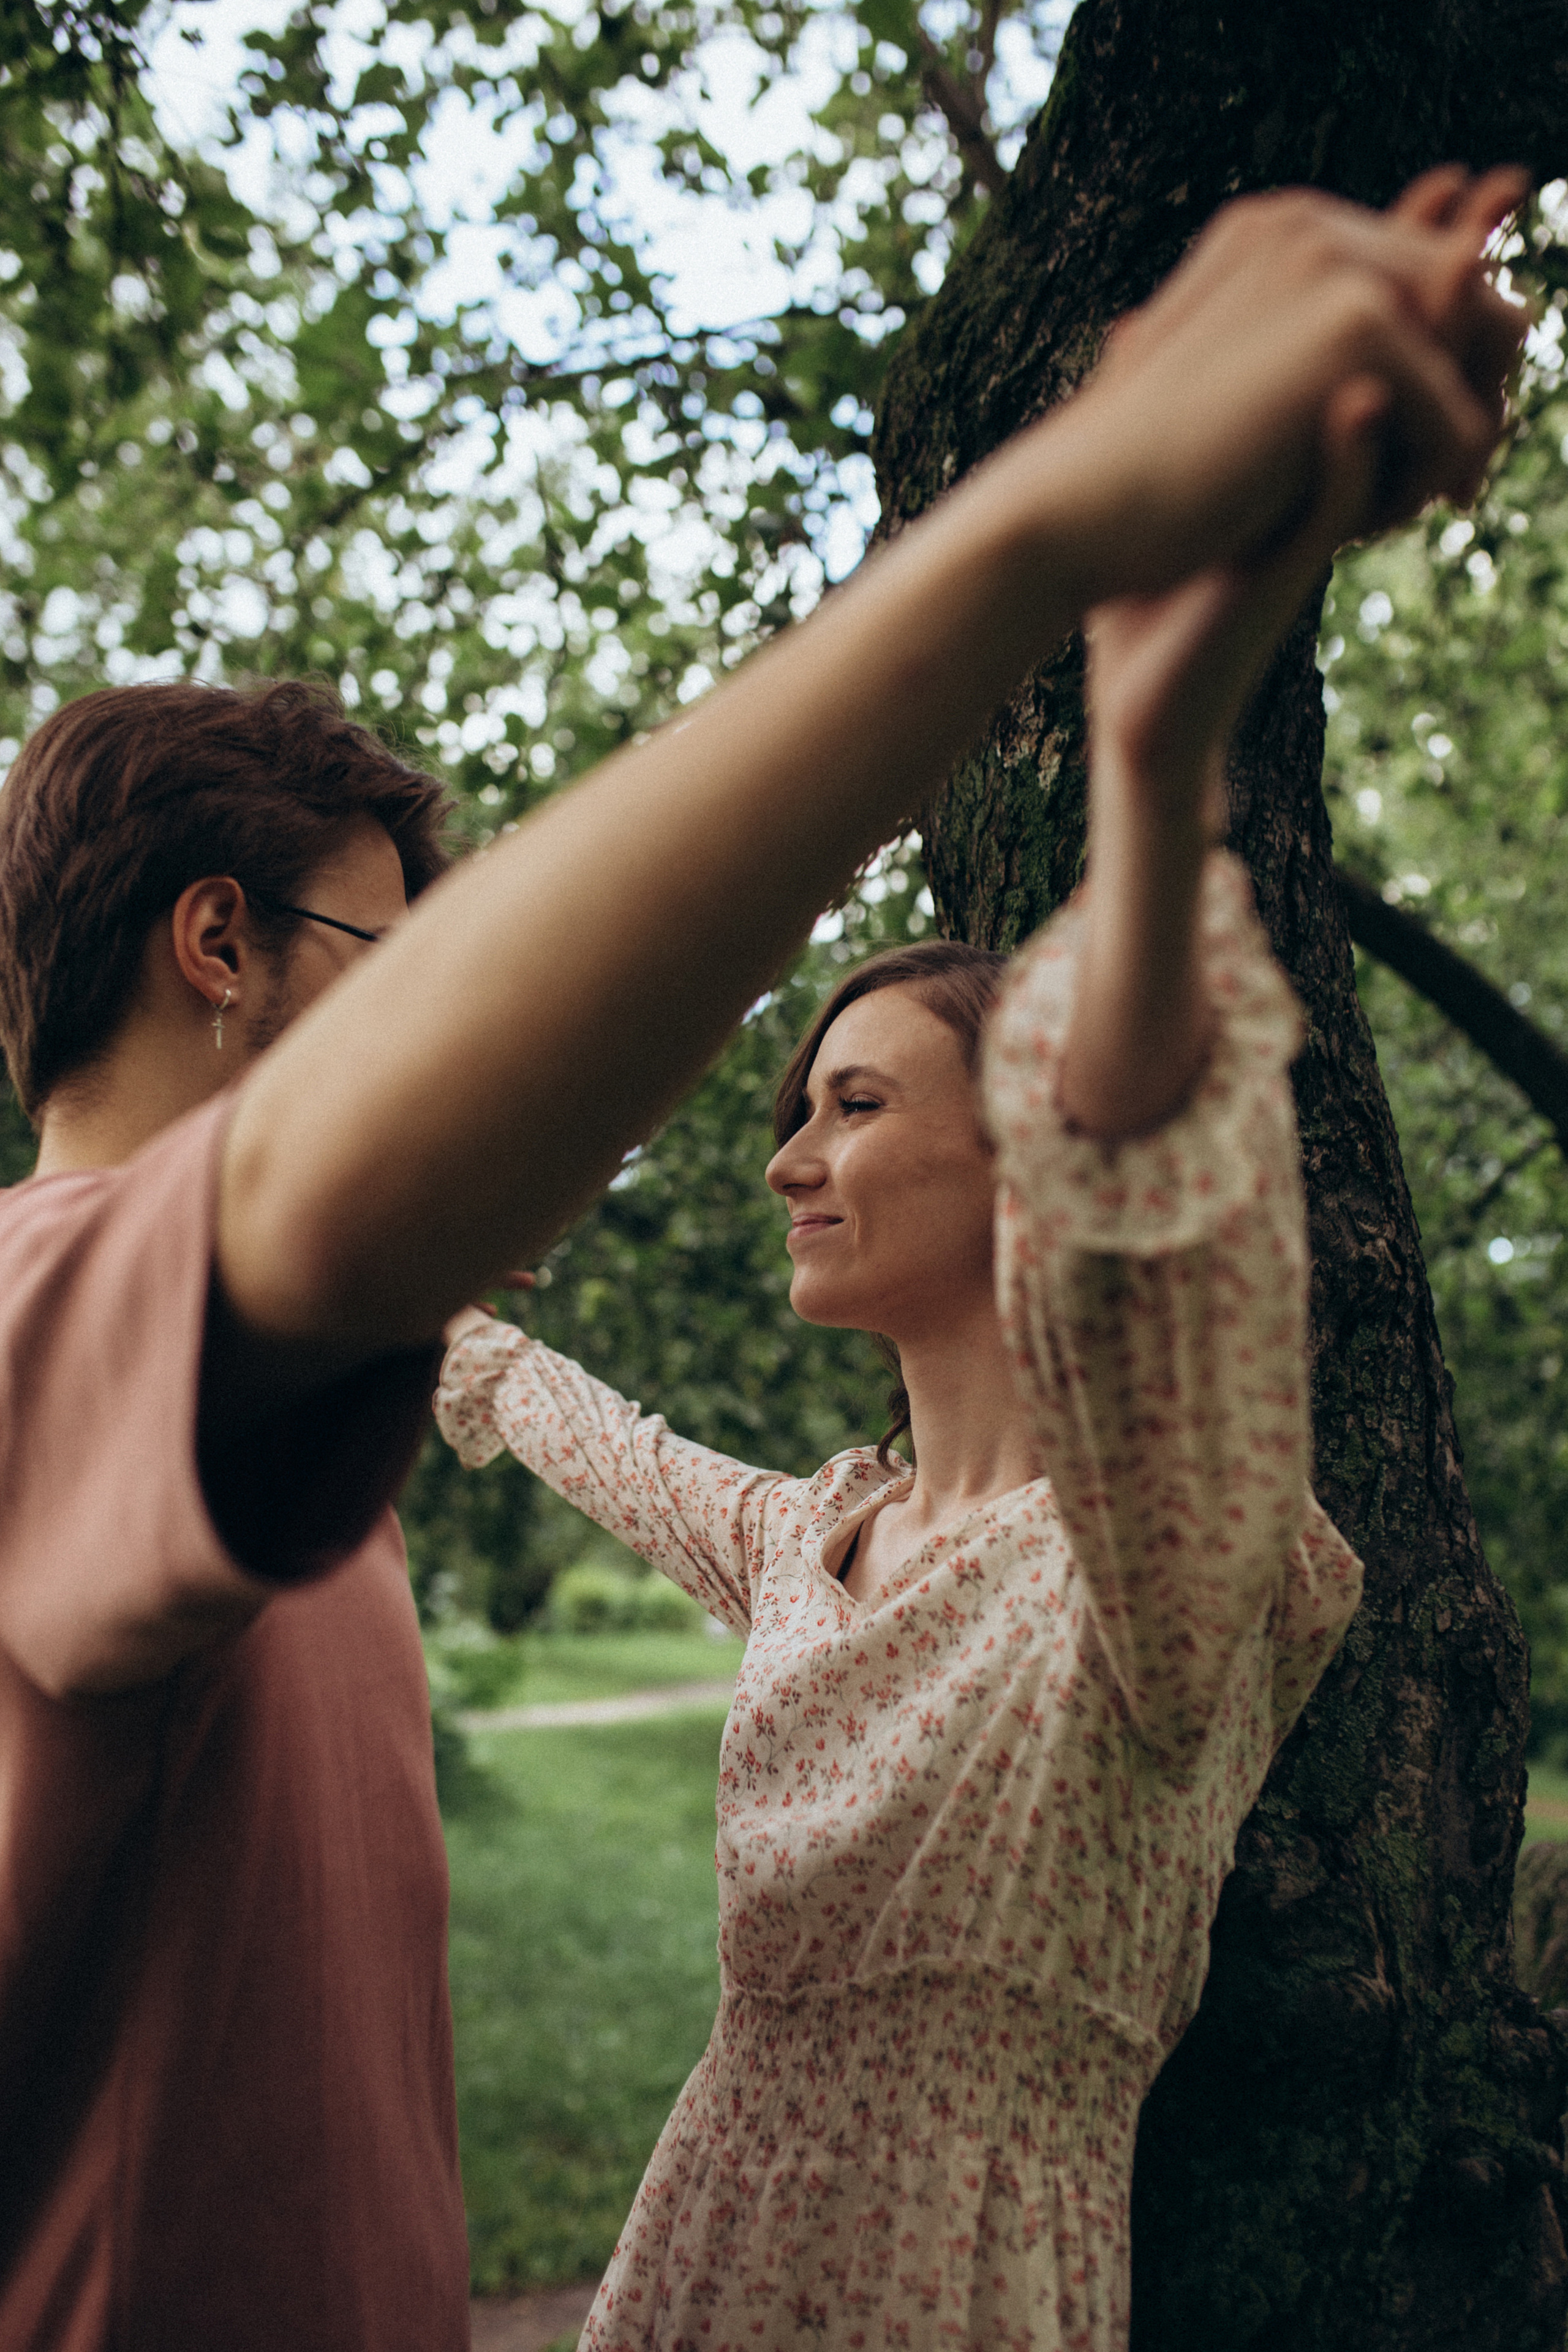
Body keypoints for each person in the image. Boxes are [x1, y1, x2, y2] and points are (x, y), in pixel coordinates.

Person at [0, 168, 1525, 2352]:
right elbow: (379, 1251)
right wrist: (1043, 537)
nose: (781, 1158)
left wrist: (1156, 746)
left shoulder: (1166, 1558)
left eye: (857, 1106)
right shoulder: (54, 1322)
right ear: (218, 946)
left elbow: (1166, 1320)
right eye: (401, 970)